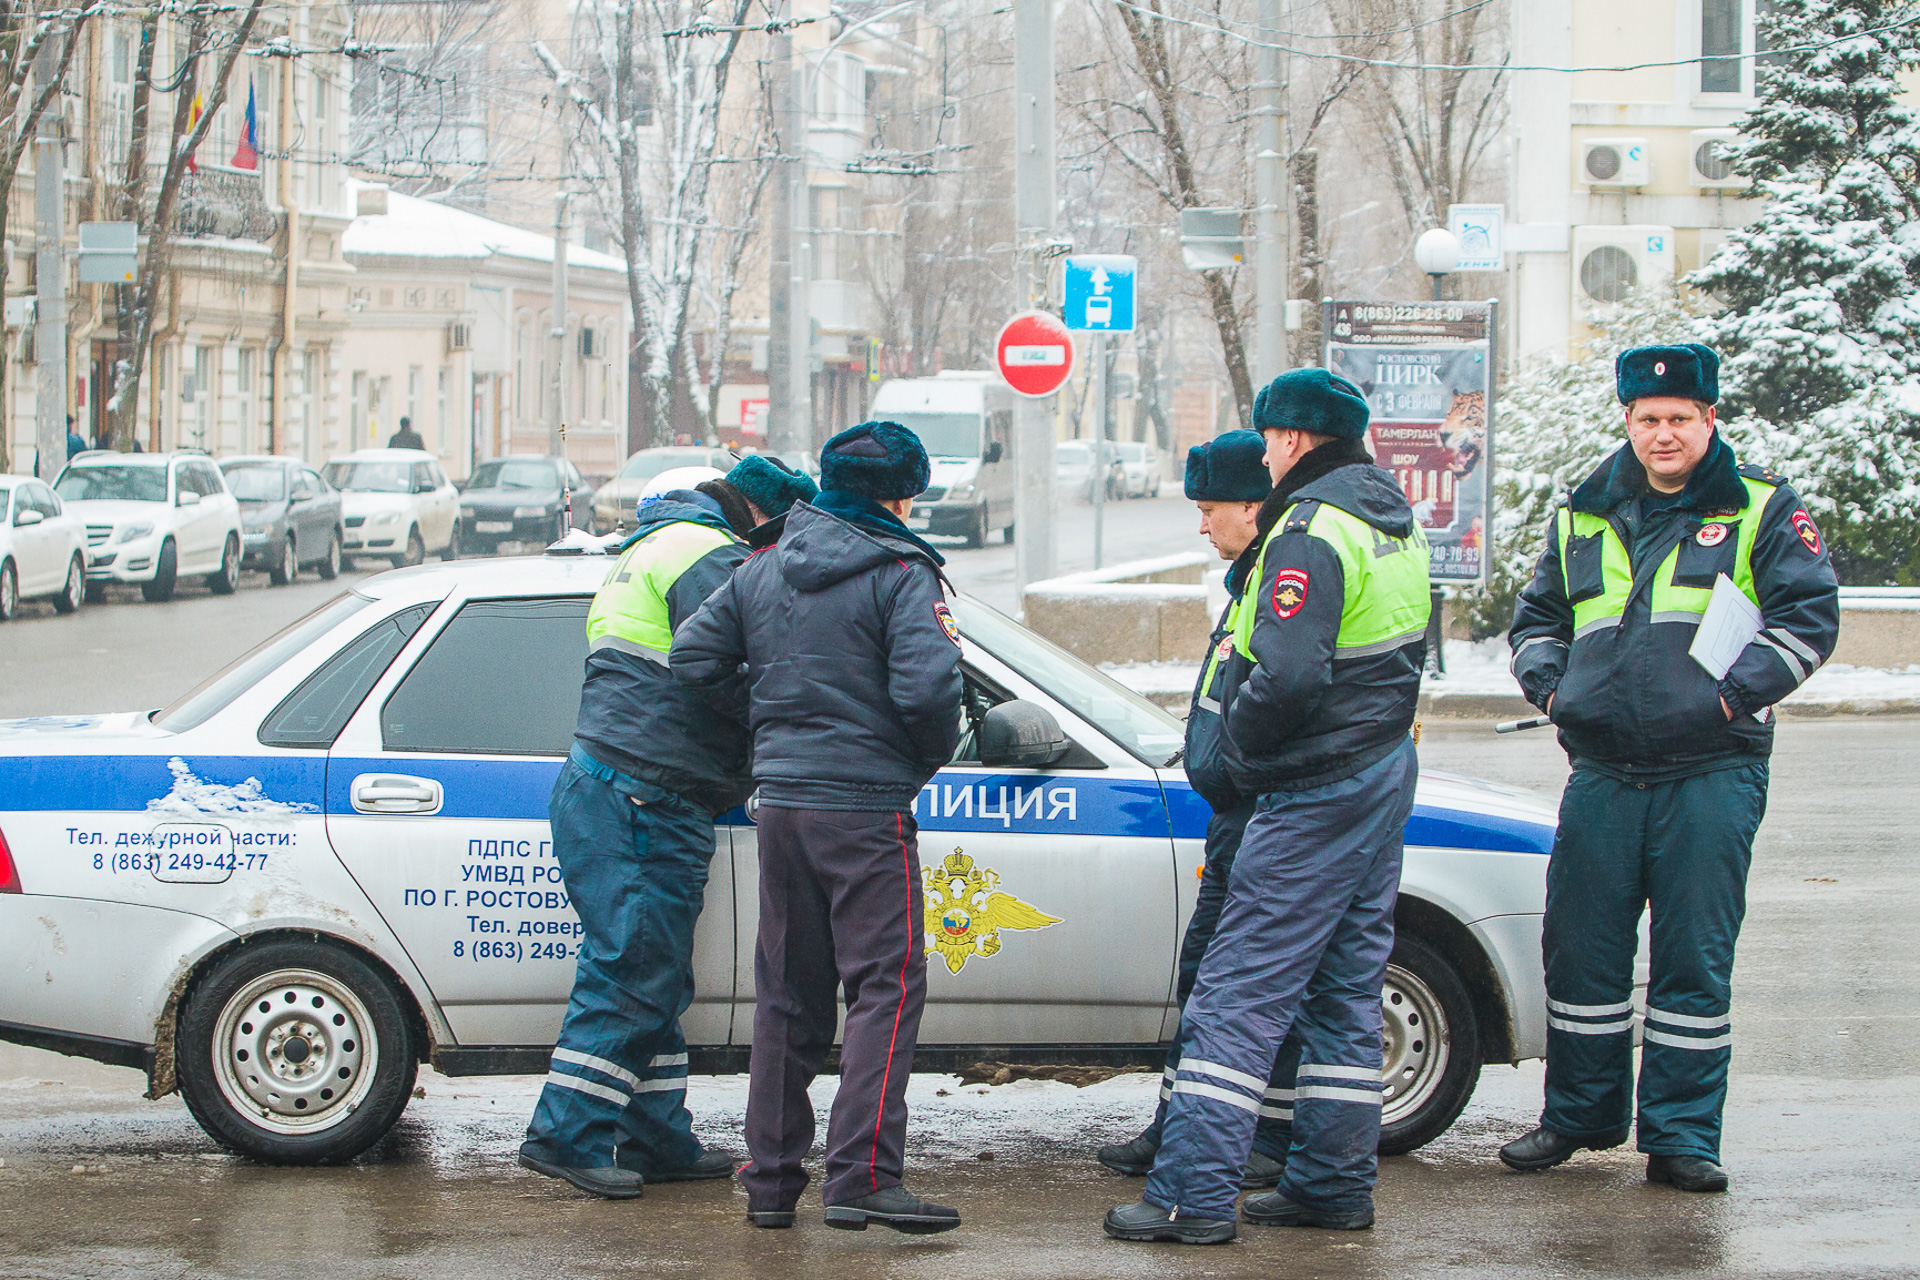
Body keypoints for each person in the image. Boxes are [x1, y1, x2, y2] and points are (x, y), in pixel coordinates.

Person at [1500, 344, 1839, 1193]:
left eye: (1680, 419)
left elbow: (1809, 619)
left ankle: (1683, 1137)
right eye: (1648, 419)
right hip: (1605, 771)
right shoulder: (1583, 509)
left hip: (1711, 771)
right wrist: (1552, 690)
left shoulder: (1760, 506)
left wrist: (1728, 699)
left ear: (1709, 420)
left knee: (1692, 960)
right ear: (1627, 420)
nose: (1664, 434)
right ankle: (1577, 1118)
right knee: (1582, 955)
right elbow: (1539, 618)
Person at [1105, 368, 1431, 1245]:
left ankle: (1191, 1198)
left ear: (1287, 441)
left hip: (1311, 785)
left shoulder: (1309, 530)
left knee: (1237, 992)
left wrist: (1241, 752)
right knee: (1346, 991)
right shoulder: (1391, 518)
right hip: (1377, 771)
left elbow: (1286, 672)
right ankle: (1330, 1185)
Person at [672, 421, 965, 1235]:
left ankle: (769, 1185)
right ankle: (862, 1178)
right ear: (902, 494)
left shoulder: (762, 569)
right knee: (887, 986)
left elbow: (692, 660)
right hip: (866, 808)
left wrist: (769, 728)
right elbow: (932, 696)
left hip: (784, 807)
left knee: (788, 1000)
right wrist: (910, 765)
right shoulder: (903, 572)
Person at [518, 474, 766, 1200]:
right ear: (736, 513)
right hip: (643, 798)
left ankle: (655, 1135)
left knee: (651, 970)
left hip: (614, 789)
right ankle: (565, 1134)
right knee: (632, 969)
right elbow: (737, 668)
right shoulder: (709, 554)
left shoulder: (645, 551)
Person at [1096, 429, 1294, 1191]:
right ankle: (1179, 1122)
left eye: (1210, 508)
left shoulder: (1282, 578)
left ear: (1255, 504)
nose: (1201, 524)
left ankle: (1268, 1137)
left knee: (1253, 989)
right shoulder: (1249, 580)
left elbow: (1281, 698)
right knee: (1204, 977)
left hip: (1263, 813)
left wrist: (1237, 769)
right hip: (1234, 814)